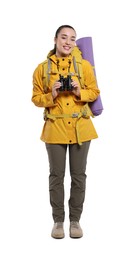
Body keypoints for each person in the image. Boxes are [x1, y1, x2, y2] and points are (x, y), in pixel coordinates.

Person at [31, 25, 100, 239]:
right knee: (56, 177)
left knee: (79, 177)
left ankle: (75, 221)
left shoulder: (85, 66)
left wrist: (81, 91)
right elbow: (35, 98)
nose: (68, 42)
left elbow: (95, 92)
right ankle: (58, 221)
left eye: (72, 38)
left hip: (81, 128)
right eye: (64, 37)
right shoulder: (41, 69)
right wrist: (51, 94)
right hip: (54, 129)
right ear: (55, 39)